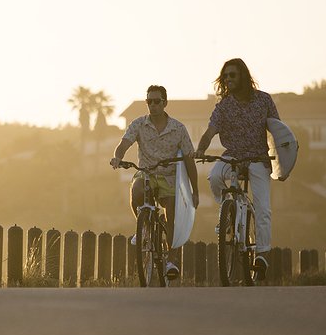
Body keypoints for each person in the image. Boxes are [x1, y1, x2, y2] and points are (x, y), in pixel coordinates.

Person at [194, 58, 280, 280]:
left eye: (232, 75)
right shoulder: (223, 107)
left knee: (263, 208)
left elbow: (277, 130)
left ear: (243, 76)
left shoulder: (264, 100)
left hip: (258, 158)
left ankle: (261, 254)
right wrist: (200, 149)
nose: (228, 79)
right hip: (232, 156)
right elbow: (209, 132)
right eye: (225, 76)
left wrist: (280, 158)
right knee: (214, 177)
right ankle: (228, 215)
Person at [110, 85, 199, 280]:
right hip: (146, 173)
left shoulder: (178, 128)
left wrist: (195, 190)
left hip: (169, 177)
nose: (153, 105)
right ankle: (144, 230)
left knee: (171, 214)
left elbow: (189, 160)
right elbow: (124, 144)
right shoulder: (139, 124)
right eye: (149, 101)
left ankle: (171, 261)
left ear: (165, 103)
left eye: (157, 101)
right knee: (136, 191)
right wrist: (117, 157)